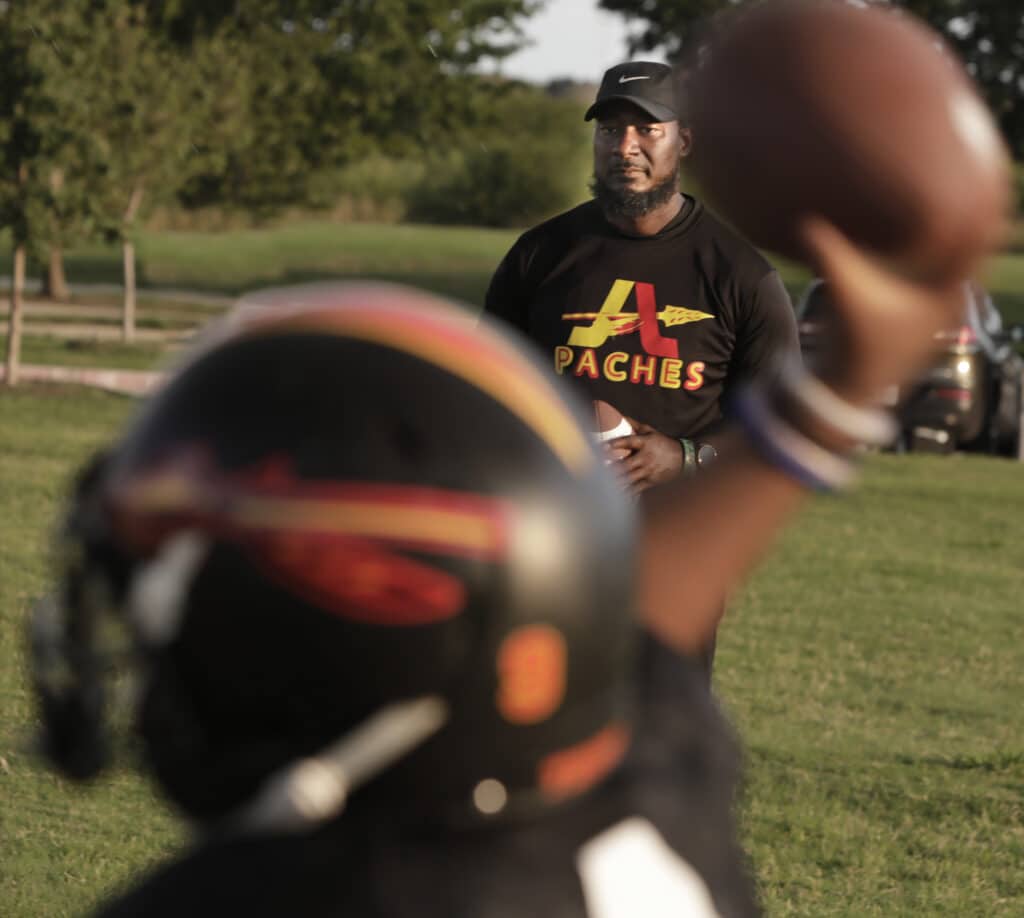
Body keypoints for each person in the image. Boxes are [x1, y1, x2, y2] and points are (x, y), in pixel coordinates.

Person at [29, 219, 968, 917]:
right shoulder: (648, 771)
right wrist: (838, 392)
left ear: (335, 648)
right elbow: (632, 603)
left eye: (190, 602)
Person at [483, 61, 799, 676]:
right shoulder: (540, 255)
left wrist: (684, 457)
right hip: (552, 535)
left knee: (658, 723)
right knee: (541, 715)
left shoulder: (741, 276)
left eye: (646, 129)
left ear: (684, 140)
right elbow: (485, 392)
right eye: (609, 130)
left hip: (674, 543)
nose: (624, 146)